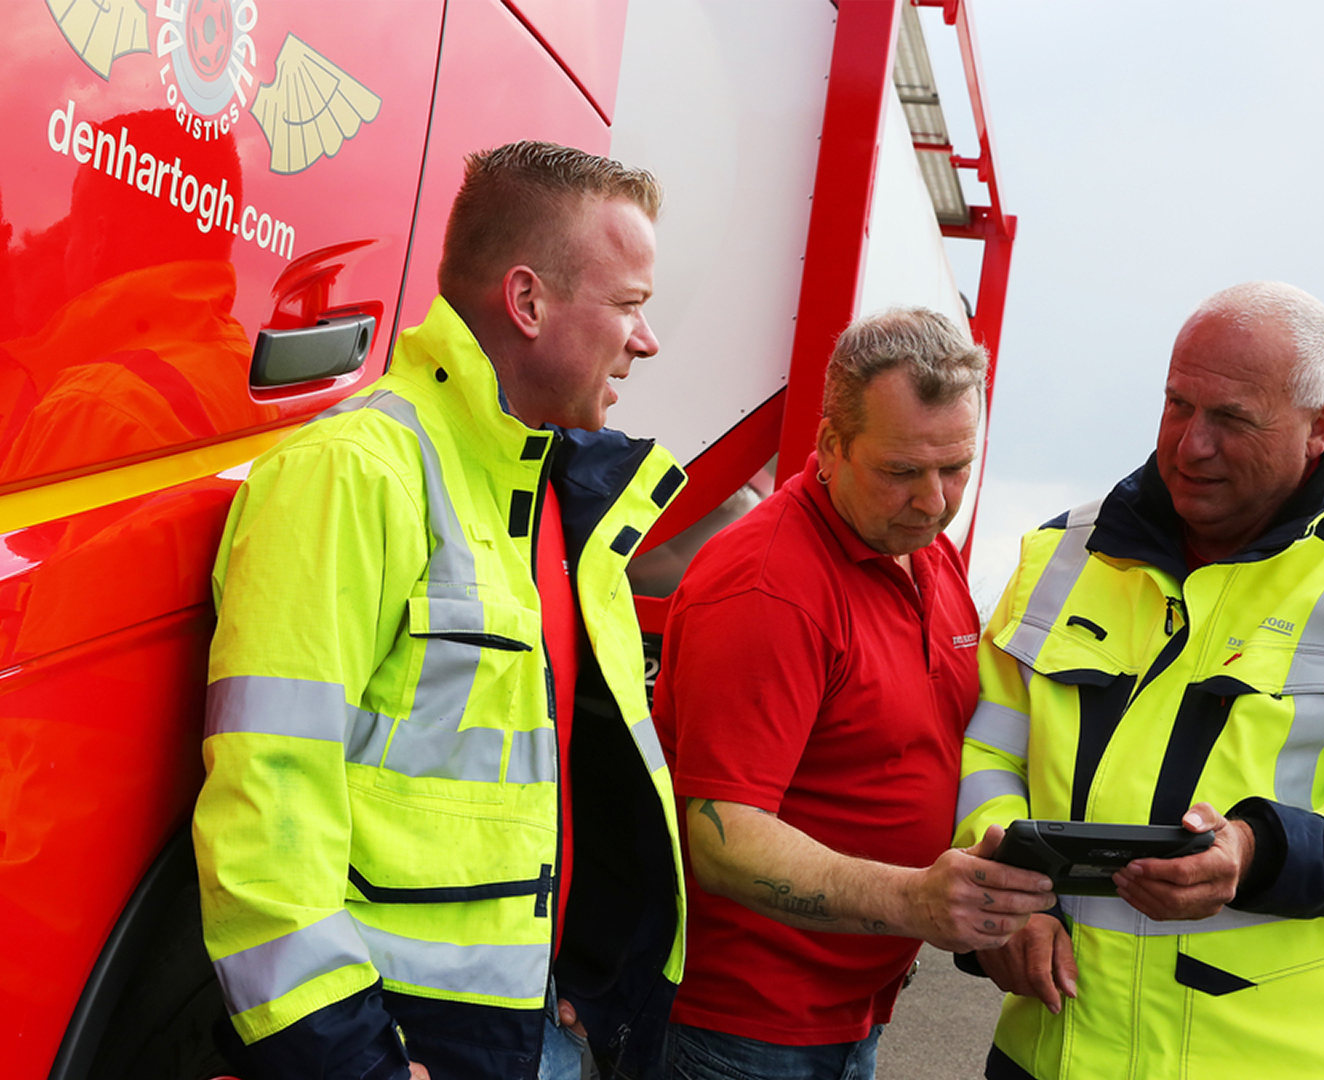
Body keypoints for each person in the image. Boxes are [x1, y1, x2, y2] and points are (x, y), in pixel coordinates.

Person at [194, 141, 690, 1080]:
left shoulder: (566, 500)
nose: (646, 339)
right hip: (403, 1046)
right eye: (629, 306)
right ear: (528, 302)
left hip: (541, 1030)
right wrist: (348, 1064)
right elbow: (266, 814)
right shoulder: (354, 472)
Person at [957, 282, 1324, 1080]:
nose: (1191, 445)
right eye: (1177, 404)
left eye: (1232, 419)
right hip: (1046, 1055)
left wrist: (1259, 852)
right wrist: (1005, 898)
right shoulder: (1059, 556)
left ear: (1319, 428)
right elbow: (987, 755)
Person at [653, 308, 1058, 1079]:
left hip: (854, 1012)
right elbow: (723, 838)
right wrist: (916, 902)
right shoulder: (769, 585)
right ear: (831, 446)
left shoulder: (924, 554)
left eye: (957, 469)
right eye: (903, 471)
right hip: (746, 1028)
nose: (936, 502)